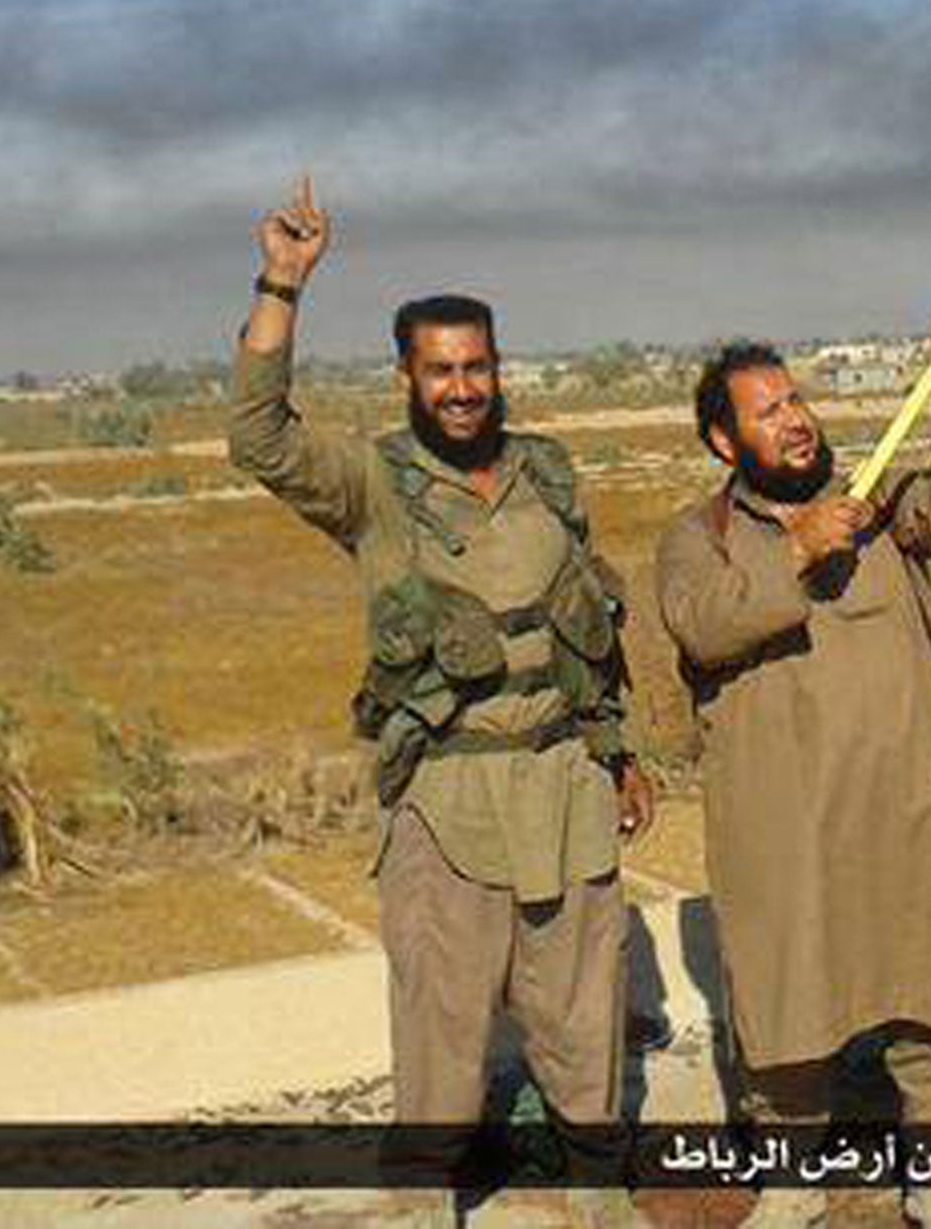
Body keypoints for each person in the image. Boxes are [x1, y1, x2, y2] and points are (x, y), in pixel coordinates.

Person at [227, 184, 654, 1227]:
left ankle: (595, 1200)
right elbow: (259, 437)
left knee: (583, 1025)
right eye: (440, 371)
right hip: (447, 803)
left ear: (496, 370)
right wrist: (282, 282)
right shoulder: (372, 485)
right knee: (441, 1038)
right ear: (407, 378)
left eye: (476, 367)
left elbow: (589, 624)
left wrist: (620, 750)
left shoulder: (548, 475)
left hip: (564, 786)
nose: (461, 389)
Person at [652, 316, 931, 1229]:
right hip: (786, 830)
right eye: (768, 412)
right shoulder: (700, 537)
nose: (795, 420)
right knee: (786, 999)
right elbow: (704, 625)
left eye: (796, 400)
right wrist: (800, 549)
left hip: (908, 810)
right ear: (725, 442)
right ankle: (794, 1178)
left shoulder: (877, 502)